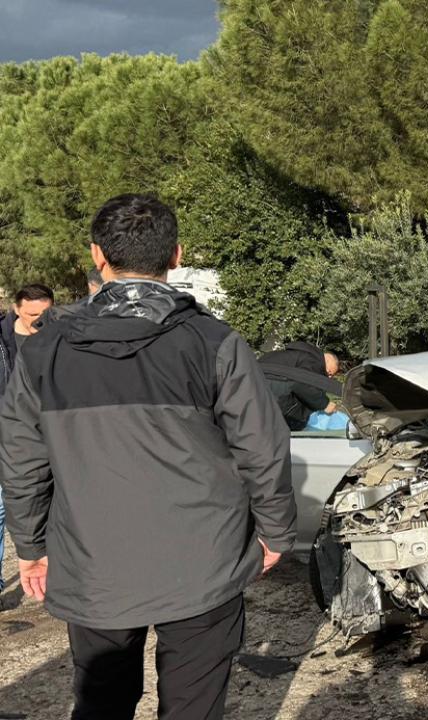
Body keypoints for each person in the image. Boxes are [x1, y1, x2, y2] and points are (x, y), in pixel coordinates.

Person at [0, 194, 295, 720]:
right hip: (204, 559)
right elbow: (262, 446)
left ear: (97, 255)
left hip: (95, 563)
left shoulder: (43, 352)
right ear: (176, 255)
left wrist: (30, 543)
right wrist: (275, 528)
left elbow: (23, 458)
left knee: (102, 703)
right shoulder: (214, 341)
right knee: (193, 707)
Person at [0, 283, 54, 589]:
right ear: (17, 310)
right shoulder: (4, 342)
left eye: (45, 314)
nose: (39, 322)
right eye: (32, 315)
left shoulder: (60, 341)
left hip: (44, 438)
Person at [259, 341, 342, 431]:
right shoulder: (314, 361)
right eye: (329, 372)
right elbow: (302, 384)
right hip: (274, 397)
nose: (328, 377)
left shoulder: (292, 355)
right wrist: (325, 404)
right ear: (328, 360)